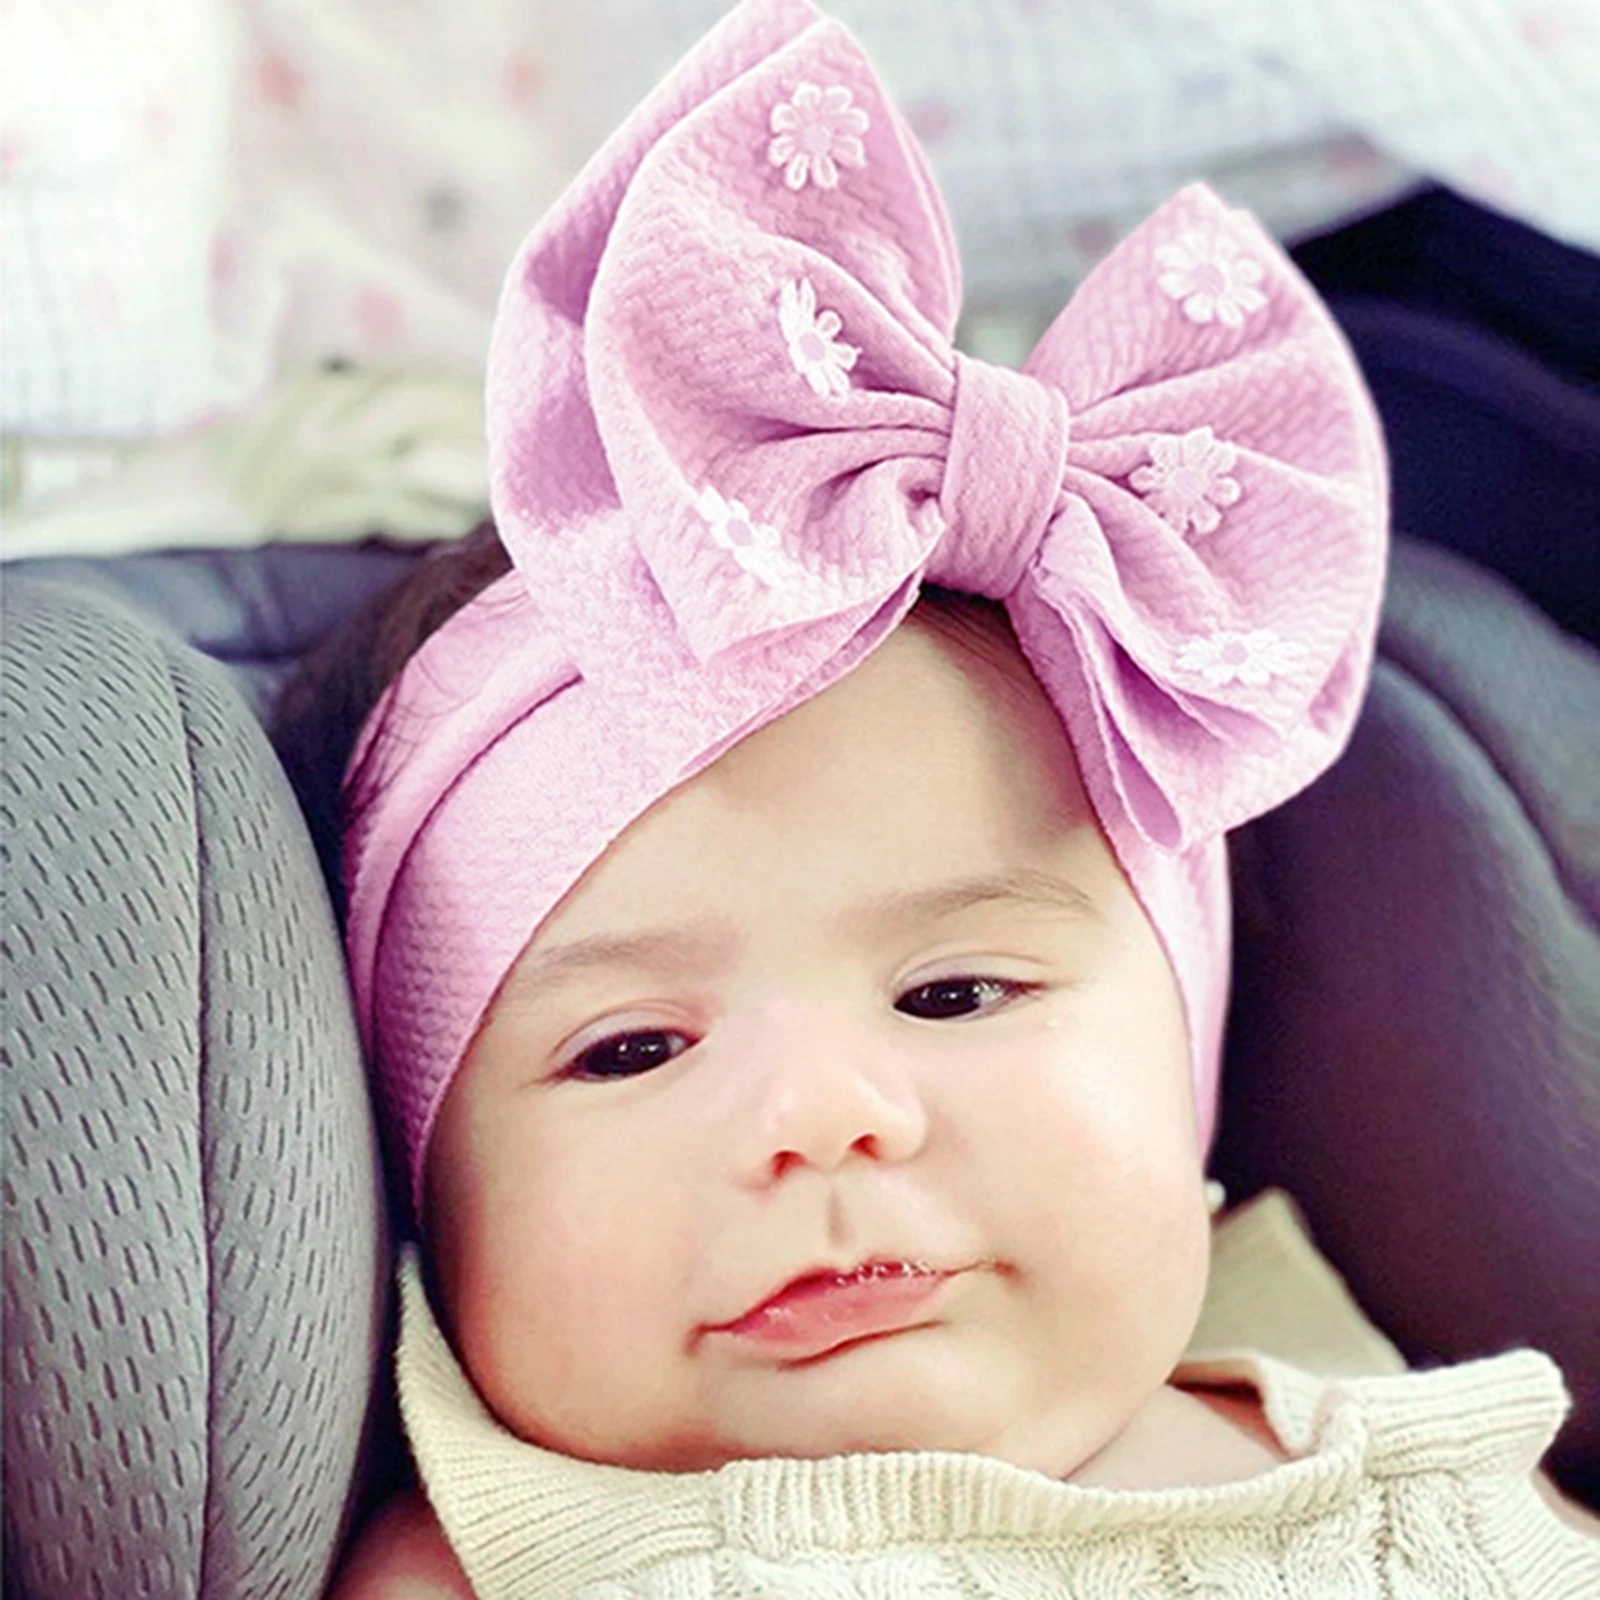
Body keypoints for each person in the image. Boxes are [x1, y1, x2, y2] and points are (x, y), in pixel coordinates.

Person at [277, 1, 1599, 1592]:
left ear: (1184, 1080)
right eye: (630, 1047)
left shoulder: (1433, 1477)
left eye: (955, 989)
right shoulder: (495, 1570)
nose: (823, 1115)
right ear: (435, 1203)